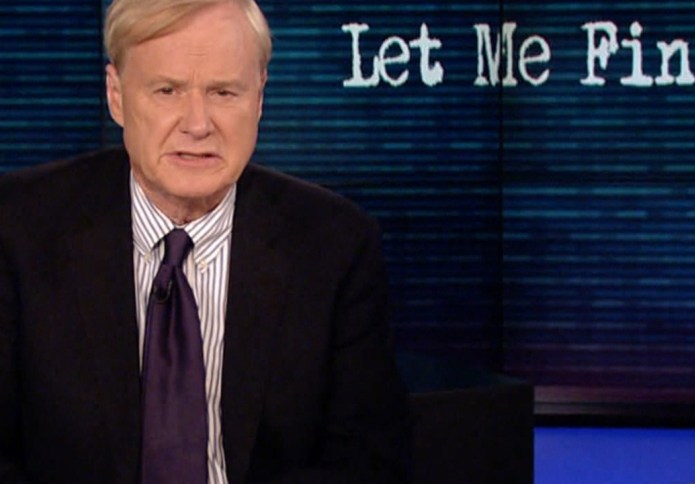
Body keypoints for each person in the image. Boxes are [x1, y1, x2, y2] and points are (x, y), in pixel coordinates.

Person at [0, 0, 412, 482]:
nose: (197, 125)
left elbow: (368, 464)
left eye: (223, 92)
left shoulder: (335, 246)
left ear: (259, 99)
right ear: (116, 96)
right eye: (167, 90)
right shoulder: (19, 231)